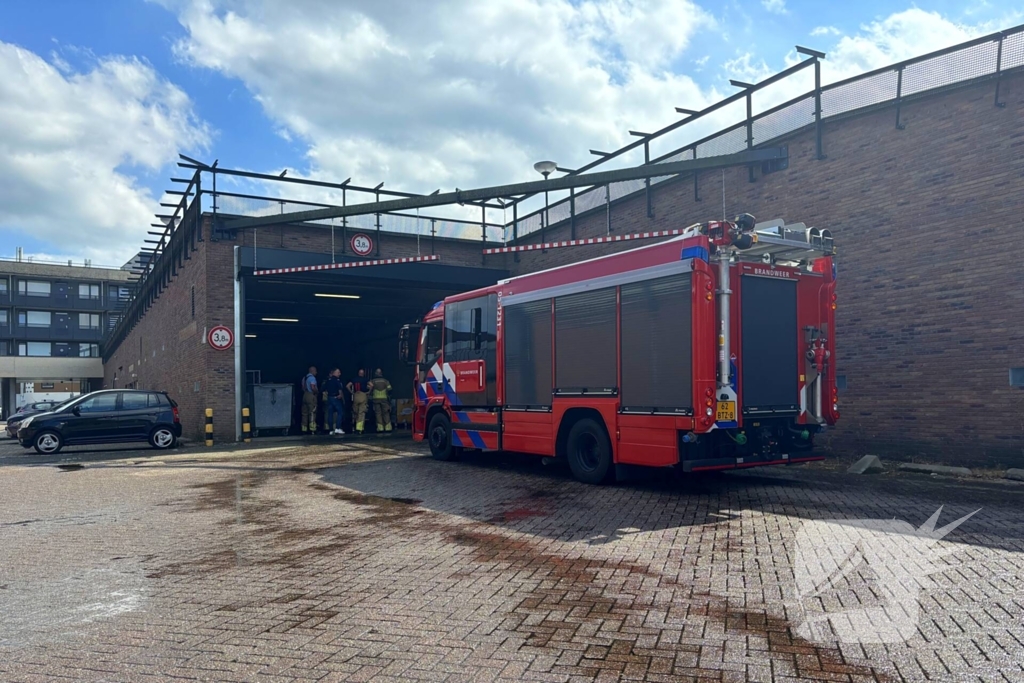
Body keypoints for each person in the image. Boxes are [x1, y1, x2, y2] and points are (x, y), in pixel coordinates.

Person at [323, 368, 346, 436]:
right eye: (338, 372)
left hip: (329, 398)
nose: (340, 374)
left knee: (330, 414)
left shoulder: (328, 381)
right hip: (336, 398)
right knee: (340, 412)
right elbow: (340, 390)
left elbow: (323, 389)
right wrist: (341, 397)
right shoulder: (337, 381)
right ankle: (338, 428)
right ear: (334, 373)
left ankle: (331, 430)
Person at [347, 368, 370, 434]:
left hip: (356, 395)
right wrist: (369, 392)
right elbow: (371, 385)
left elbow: (347, 386)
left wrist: (352, 392)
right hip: (363, 395)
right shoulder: (365, 379)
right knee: (361, 412)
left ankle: (356, 424)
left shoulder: (354, 379)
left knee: (356, 412)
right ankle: (359, 428)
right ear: (363, 374)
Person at [370, 368, 392, 433]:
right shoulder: (385, 381)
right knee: (386, 413)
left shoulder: (372, 381)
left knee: (378, 413)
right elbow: (390, 389)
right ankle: (388, 427)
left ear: (375, 373)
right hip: (384, 399)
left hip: (376, 399)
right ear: (381, 373)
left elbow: (368, 389)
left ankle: (380, 428)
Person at [301, 366, 318, 434]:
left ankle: (304, 428)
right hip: (311, 395)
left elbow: (303, 387)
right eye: (315, 371)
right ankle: (312, 428)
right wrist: (316, 392)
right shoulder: (312, 378)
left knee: (304, 412)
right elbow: (312, 387)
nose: (316, 372)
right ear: (312, 371)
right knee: (312, 412)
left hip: (305, 395)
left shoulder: (304, 378)